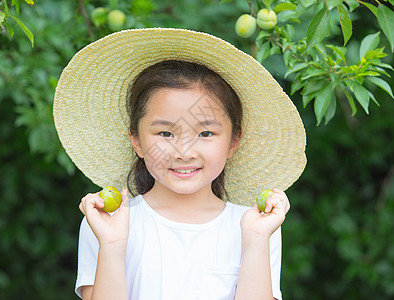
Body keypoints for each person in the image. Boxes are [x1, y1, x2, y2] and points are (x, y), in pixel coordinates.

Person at [53, 28, 306, 300]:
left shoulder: (256, 227)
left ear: (234, 141)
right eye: (165, 133)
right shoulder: (107, 224)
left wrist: (256, 242)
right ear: (136, 140)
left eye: (205, 133)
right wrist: (112, 245)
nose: (184, 152)